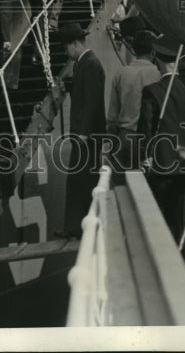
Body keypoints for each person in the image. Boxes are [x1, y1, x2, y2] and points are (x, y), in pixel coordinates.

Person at [139, 32, 185, 245]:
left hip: (162, 168)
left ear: (158, 60)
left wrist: (145, 157)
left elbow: (145, 130)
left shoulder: (151, 91)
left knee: (160, 222)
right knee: (183, 224)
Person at [55, 23, 106, 238]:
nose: (66, 53)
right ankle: (76, 227)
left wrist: (83, 132)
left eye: (66, 48)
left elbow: (93, 101)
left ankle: (79, 227)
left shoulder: (90, 64)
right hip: (85, 134)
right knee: (79, 180)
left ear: (75, 44)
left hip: (87, 135)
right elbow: (85, 91)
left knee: (82, 181)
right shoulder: (84, 63)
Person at [106, 29, 161, 171]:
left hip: (124, 137)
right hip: (149, 140)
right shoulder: (158, 75)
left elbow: (112, 116)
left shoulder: (121, 73)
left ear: (134, 50)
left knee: (122, 185)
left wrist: (111, 142)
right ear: (153, 52)